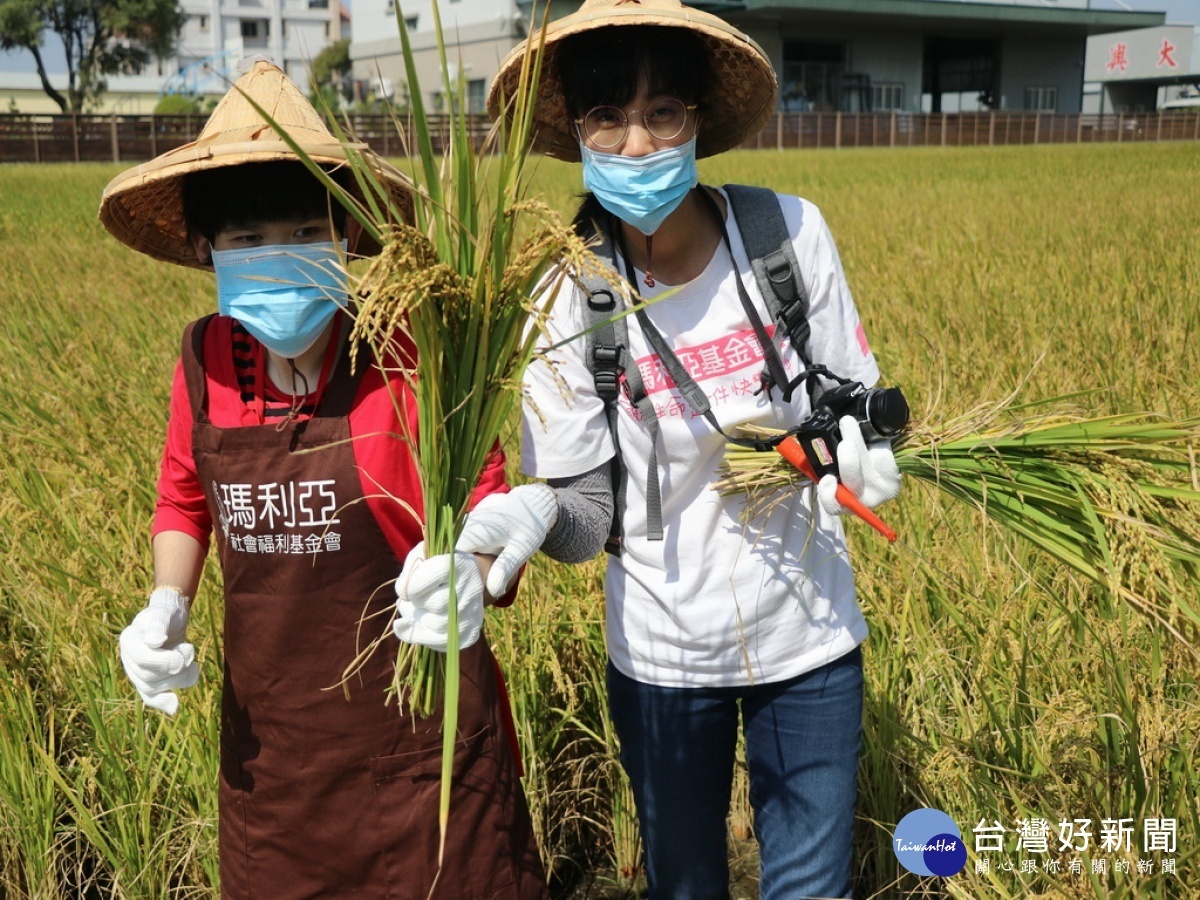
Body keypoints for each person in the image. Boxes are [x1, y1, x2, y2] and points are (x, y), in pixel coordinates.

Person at [476, 1, 904, 897]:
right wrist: (541, 509)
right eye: (608, 116)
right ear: (579, 134)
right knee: (684, 884)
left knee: (811, 888)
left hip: (811, 634)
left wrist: (864, 451)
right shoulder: (566, 292)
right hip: (663, 654)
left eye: (662, 112)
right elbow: (591, 514)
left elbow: (853, 398)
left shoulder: (786, 237)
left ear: (697, 119)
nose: (637, 144)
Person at [101, 59, 548, 899]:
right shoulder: (205, 363)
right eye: (245, 240)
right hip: (277, 774)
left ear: (344, 236)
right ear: (206, 251)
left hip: (426, 757)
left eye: (303, 231)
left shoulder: (415, 347)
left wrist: (478, 576)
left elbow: (489, 501)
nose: (277, 259)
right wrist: (167, 602)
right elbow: (183, 498)